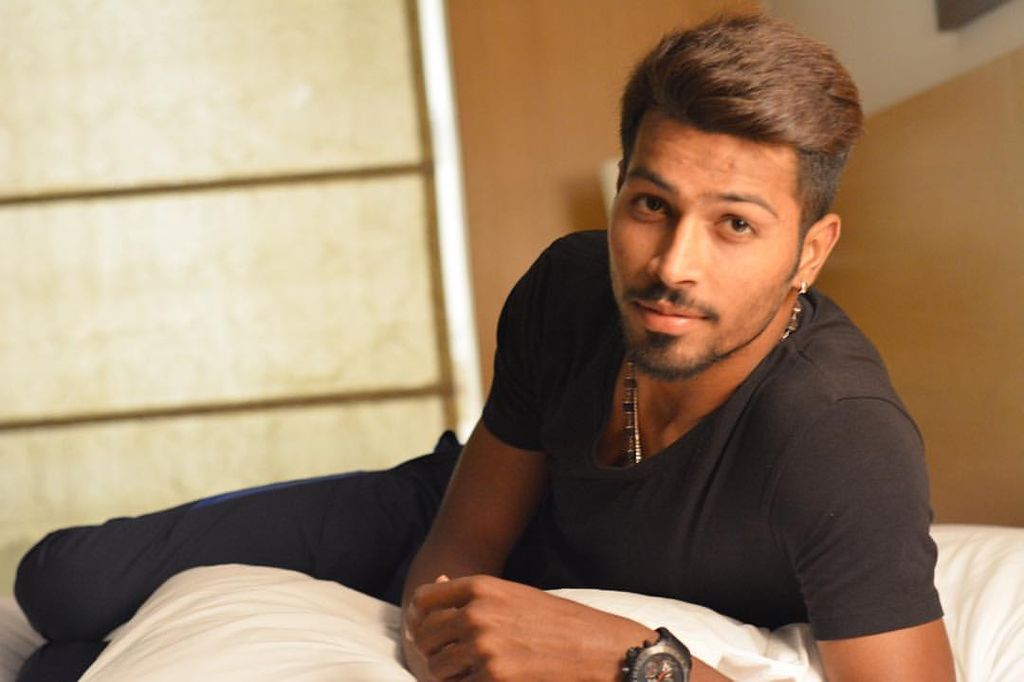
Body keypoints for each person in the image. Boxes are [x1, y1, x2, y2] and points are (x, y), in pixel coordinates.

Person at [15, 14, 954, 682]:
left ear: (811, 252)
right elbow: (466, 535)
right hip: (455, 509)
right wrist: (439, 626)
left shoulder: (840, 436)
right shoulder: (570, 285)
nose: (673, 265)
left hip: (579, 606)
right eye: (650, 205)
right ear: (619, 191)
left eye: (735, 225)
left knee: (64, 672)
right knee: (62, 587)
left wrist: (634, 661)